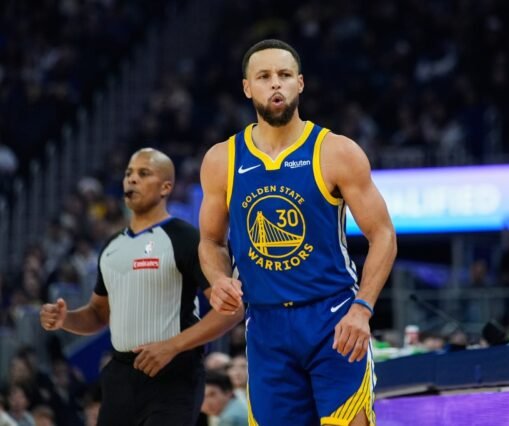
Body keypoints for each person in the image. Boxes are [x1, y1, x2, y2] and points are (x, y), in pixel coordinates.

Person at [199, 39, 397, 426]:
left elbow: (383, 235)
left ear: (300, 83)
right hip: (265, 324)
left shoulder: (336, 151)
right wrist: (218, 278)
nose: (276, 83)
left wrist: (363, 308)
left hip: (333, 318)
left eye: (285, 75)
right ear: (247, 88)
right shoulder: (222, 159)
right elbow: (210, 241)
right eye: (264, 76)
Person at [40, 148, 243, 426]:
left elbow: (231, 310)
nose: (132, 179)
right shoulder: (112, 246)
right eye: (128, 174)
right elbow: (98, 314)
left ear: (166, 187)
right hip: (120, 375)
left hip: (174, 373)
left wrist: (172, 346)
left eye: (143, 173)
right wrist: (66, 319)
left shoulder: (185, 238)